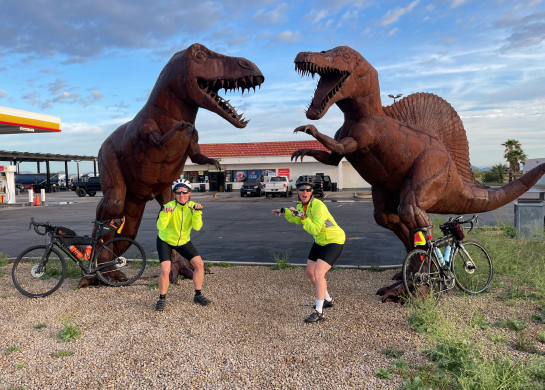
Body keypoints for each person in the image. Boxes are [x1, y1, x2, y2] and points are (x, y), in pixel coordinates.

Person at [271, 180, 345, 323]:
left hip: (334, 240)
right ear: (297, 192)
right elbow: (296, 220)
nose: (304, 192)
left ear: (312, 192)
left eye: (308, 190)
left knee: (318, 273)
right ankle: (328, 300)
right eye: (301, 189)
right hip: (320, 241)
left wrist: (304, 217)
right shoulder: (301, 205)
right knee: (309, 272)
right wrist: (285, 211)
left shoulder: (318, 206)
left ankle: (319, 312)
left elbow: (314, 228)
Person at [155, 179, 211, 311]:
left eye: (184, 192)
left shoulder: (193, 207)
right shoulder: (168, 206)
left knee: (199, 265)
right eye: (178, 192)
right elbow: (160, 226)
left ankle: (198, 295)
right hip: (165, 240)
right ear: (174, 194)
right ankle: (161, 298)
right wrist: (165, 214)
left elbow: (197, 227)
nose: (182, 195)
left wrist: (197, 213)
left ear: (189, 192)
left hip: (183, 241)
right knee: (165, 270)